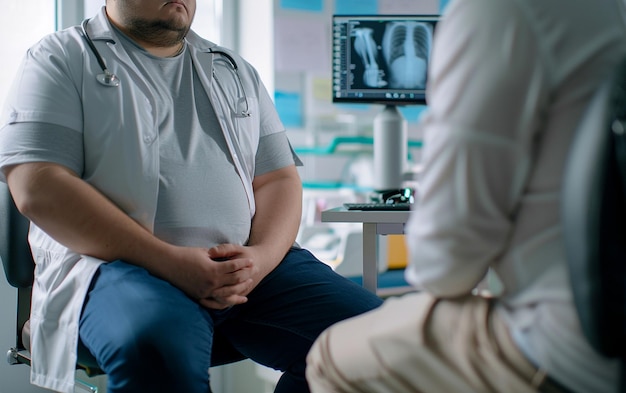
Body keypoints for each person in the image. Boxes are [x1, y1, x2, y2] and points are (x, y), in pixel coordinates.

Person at [0, 1, 383, 392]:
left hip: (248, 268)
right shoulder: (59, 58)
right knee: (157, 344)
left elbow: (278, 179)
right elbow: (36, 186)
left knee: (377, 342)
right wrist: (171, 263)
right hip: (115, 267)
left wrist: (262, 257)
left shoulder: (233, 69)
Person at [306, 0, 626, 392]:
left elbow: (443, 266)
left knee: (330, 356)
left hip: (573, 351)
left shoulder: (498, 11)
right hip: (612, 334)